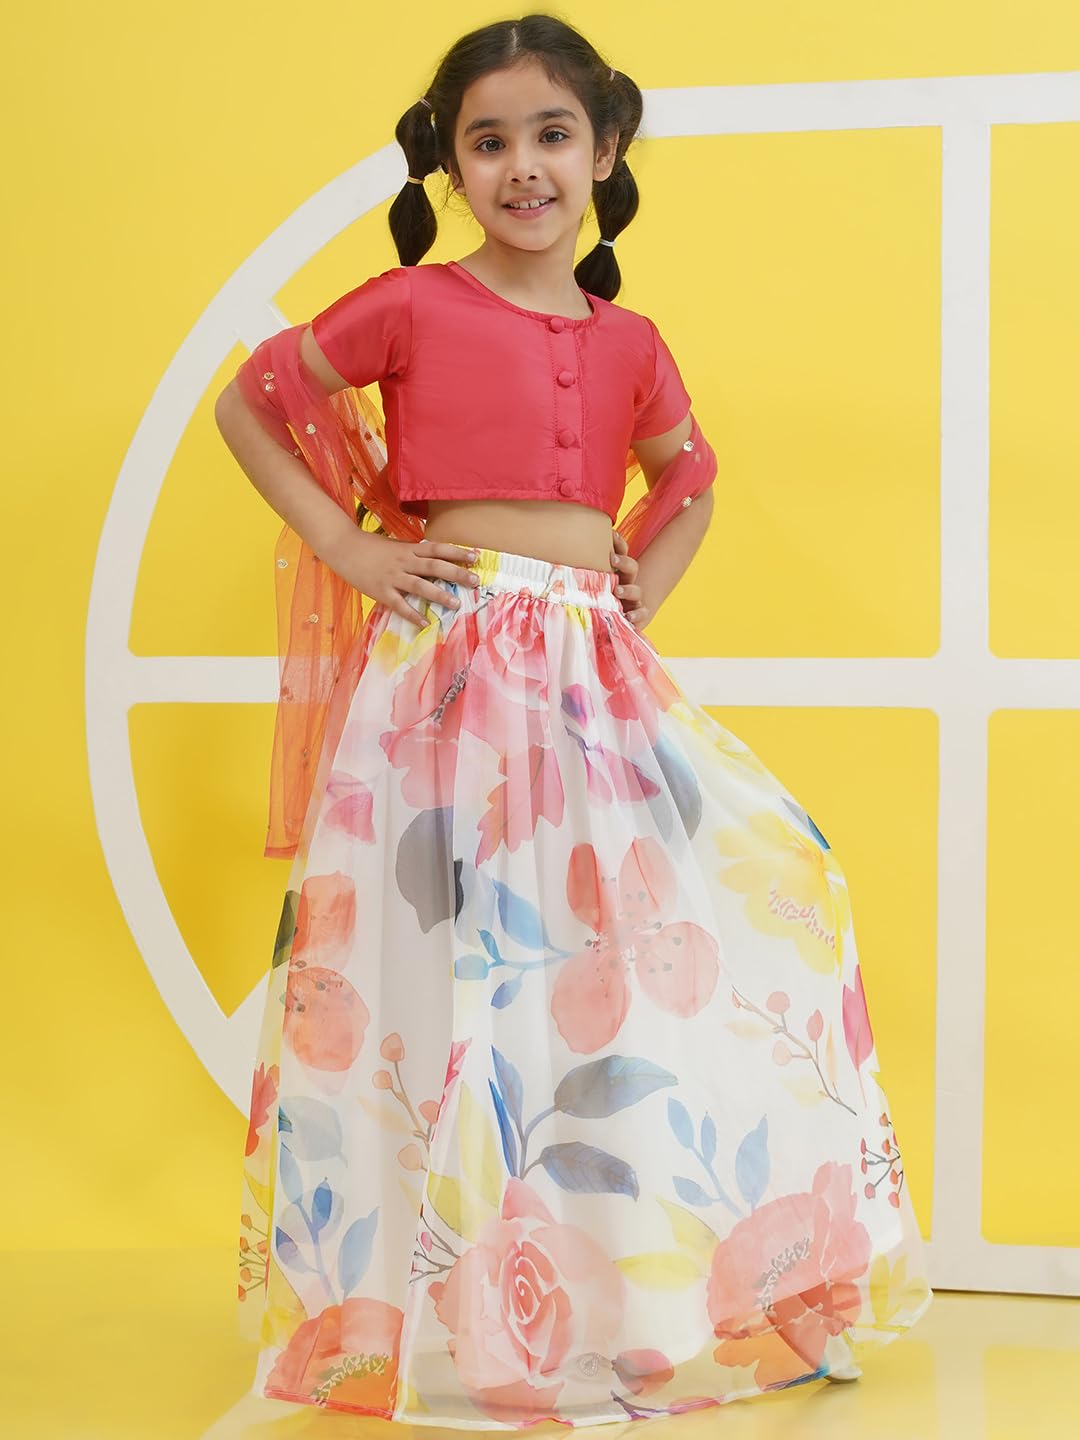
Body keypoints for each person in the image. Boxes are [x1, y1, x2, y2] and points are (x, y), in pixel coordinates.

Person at [215, 12, 932, 1427]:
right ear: (452, 166)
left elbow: (690, 477)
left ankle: (658, 1291)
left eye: (553, 135)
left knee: (629, 945)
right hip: (444, 677)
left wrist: (639, 581)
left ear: (605, 152)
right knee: (456, 971)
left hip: (585, 673)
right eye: (488, 142)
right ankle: (439, 1308)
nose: (523, 166)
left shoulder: (632, 341)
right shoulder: (408, 305)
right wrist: (352, 549)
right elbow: (255, 404)